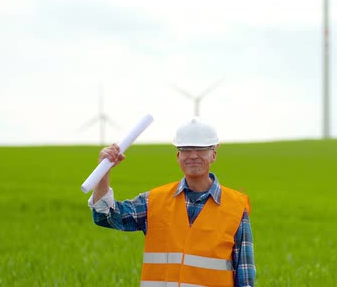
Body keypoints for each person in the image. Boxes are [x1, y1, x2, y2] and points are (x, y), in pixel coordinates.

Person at [88, 118, 255, 287]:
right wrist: (104, 169)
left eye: (201, 149)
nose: (193, 155)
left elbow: (245, 276)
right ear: (178, 156)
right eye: (186, 149)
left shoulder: (235, 207)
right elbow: (105, 215)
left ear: (213, 154)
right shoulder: (154, 201)